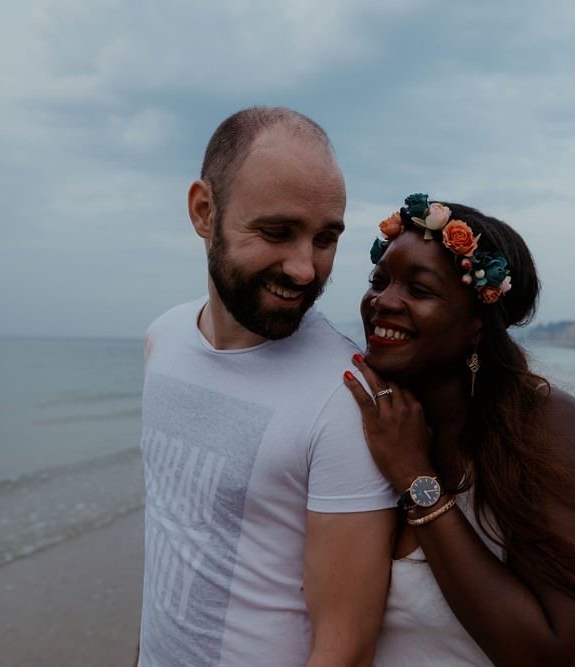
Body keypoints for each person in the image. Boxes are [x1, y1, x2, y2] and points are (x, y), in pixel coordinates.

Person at [136, 107, 397, 666]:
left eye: (325, 239)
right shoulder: (162, 341)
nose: (304, 270)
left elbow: (344, 647)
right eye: (277, 233)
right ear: (204, 211)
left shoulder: (345, 395)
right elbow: (170, 549)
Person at [343, 194, 575, 665]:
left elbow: (551, 653)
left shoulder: (544, 426)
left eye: (419, 290)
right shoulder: (359, 414)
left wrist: (413, 477)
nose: (383, 302)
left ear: (477, 325)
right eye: (378, 281)